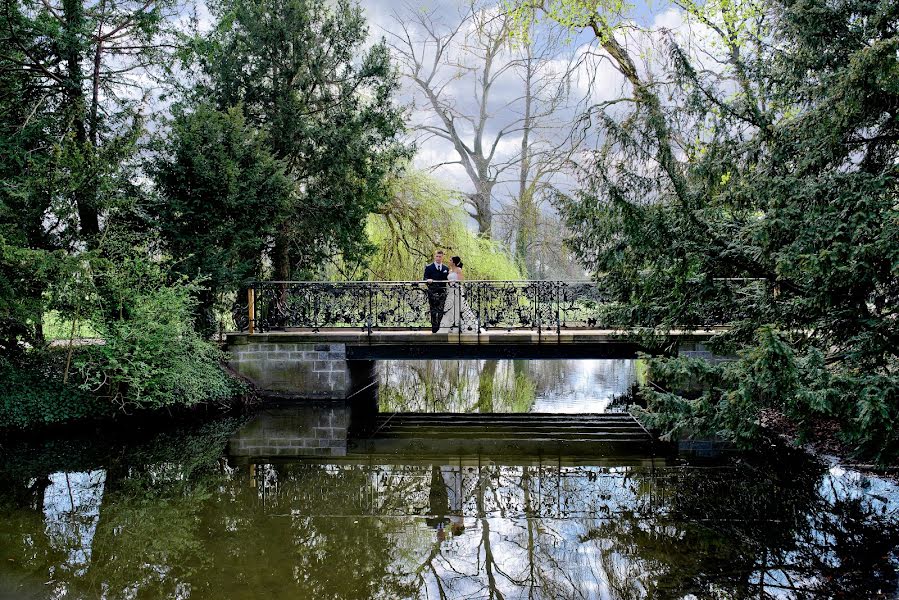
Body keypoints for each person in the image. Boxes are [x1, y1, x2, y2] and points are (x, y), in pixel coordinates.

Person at [438, 256, 480, 332]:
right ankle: (448, 326)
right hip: (450, 291)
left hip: (457, 290)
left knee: (458, 307)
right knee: (449, 308)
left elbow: (461, 280)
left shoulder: (458, 270)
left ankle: (460, 326)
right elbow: (449, 280)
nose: (449, 261)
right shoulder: (450, 271)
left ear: (454, 262)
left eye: (450, 260)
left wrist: (455, 283)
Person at [423, 250, 450, 333]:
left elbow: (448, 280)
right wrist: (428, 280)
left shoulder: (446, 268)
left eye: (440, 256)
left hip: (442, 292)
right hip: (432, 292)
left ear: (442, 257)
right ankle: (434, 329)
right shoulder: (429, 267)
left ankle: (440, 327)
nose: (438, 258)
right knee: (433, 310)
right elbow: (424, 278)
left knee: (441, 310)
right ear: (435, 256)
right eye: (437, 256)